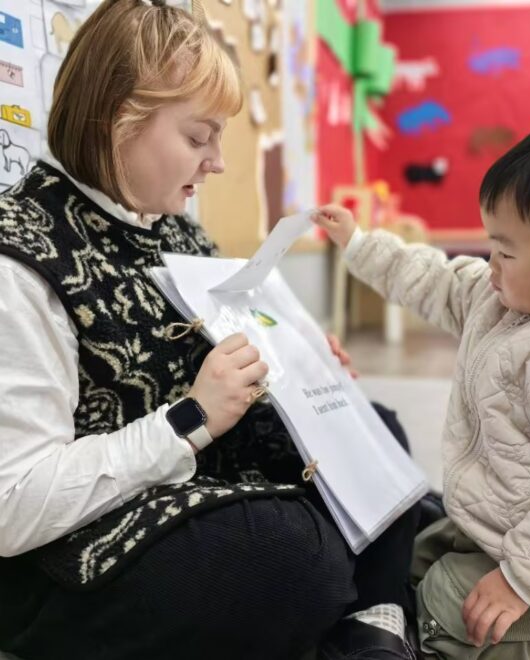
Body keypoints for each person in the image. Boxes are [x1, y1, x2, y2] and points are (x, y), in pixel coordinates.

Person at [0, 2, 420, 659]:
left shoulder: (171, 226)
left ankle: (367, 616)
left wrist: (299, 360)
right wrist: (189, 418)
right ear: (116, 122)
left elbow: (228, 353)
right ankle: (364, 599)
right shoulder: (22, 259)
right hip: (74, 549)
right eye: (199, 138)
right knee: (287, 553)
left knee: (376, 429)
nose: (218, 163)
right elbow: (14, 506)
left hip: (198, 479)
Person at [314, 111, 530, 659]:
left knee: (446, 608)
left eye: (506, 252)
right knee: (405, 560)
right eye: (490, 246)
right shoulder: (497, 297)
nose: (489, 264)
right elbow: (430, 278)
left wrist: (521, 579)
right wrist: (358, 244)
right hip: (488, 519)